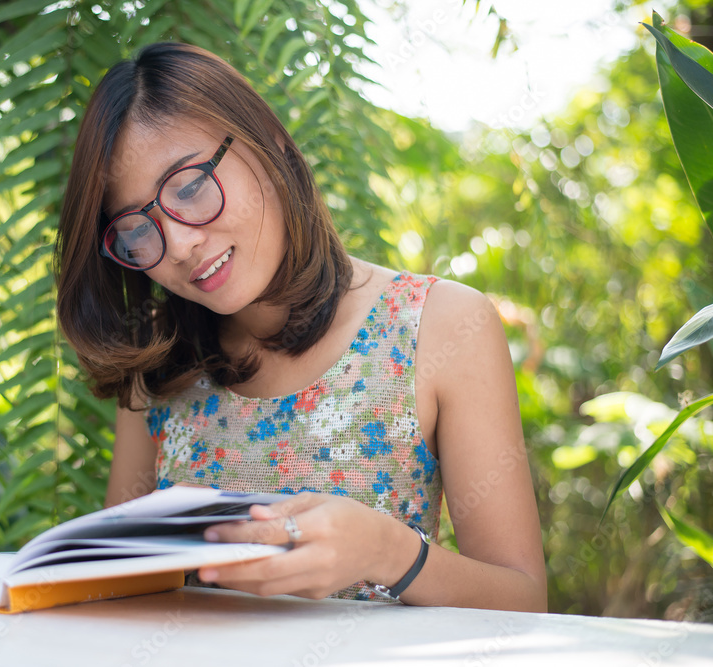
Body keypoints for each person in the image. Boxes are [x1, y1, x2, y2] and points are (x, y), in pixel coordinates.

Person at [55, 41, 547, 612]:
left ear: (271, 146)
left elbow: (524, 602)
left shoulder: (440, 325)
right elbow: (122, 591)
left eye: (190, 187)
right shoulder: (159, 363)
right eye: (139, 229)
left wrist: (388, 553)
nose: (182, 244)